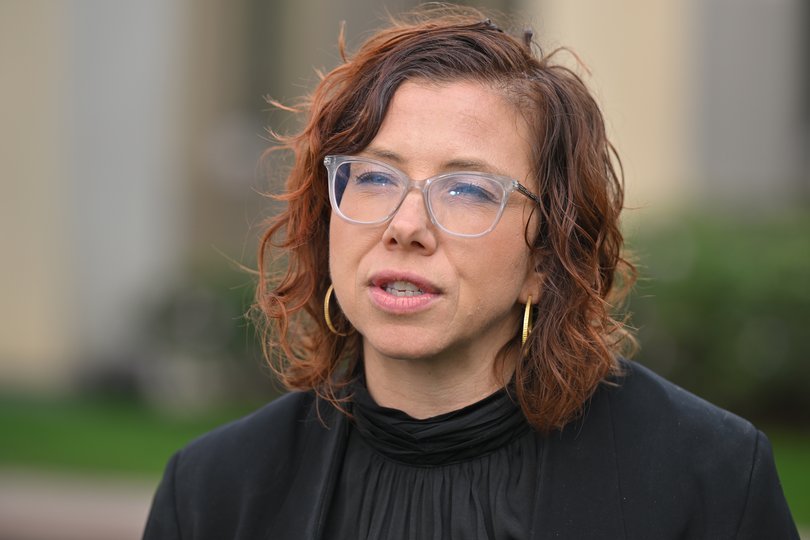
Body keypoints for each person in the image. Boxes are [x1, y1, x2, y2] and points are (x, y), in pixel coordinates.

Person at [143, 6, 799, 539]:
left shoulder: (705, 481)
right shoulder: (213, 493)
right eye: (374, 176)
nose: (404, 225)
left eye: (467, 190)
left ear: (544, 260)